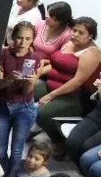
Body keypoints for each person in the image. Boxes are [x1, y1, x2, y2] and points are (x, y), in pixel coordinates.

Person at [35, 18, 101, 153]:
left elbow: (77, 81)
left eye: (80, 32)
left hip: (73, 95)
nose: (75, 34)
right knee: (28, 89)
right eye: (74, 30)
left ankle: (58, 141)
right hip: (51, 83)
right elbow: (54, 65)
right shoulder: (70, 43)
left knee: (41, 113)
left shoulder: (92, 53)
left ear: (90, 36)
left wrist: (51, 95)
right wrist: (34, 75)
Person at [0, 21, 46, 177]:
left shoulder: (35, 59)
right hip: (2, 105)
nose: (22, 43)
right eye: (19, 38)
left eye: (27, 38)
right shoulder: (3, 54)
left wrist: (32, 81)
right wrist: (10, 79)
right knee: (0, 151)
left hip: (24, 108)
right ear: (12, 37)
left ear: (32, 40)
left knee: (17, 150)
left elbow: (25, 92)